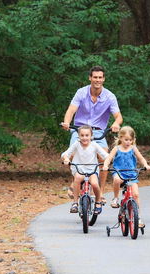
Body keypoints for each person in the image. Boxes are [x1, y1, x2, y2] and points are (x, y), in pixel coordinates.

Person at [61, 66, 123, 203]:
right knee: (70, 155)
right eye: (95, 77)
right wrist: (66, 122)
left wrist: (116, 124)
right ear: (90, 78)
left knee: (104, 157)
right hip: (80, 130)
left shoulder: (109, 96)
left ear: (104, 79)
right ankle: (76, 182)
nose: (97, 80)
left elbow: (118, 116)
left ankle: (99, 192)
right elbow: (71, 110)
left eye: (100, 77)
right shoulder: (81, 93)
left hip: (98, 131)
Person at [102, 126, 150, 227]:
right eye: (126, 139)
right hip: (119, 172)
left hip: (131, 174)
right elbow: (109, 158)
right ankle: (115, 198)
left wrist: (145, 165)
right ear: (120, 138)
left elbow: (141, 158)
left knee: (136, 195)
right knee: (116, 180)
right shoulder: (116, 148)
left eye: (130, 140)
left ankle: (138, 218)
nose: (128, 142)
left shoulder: (133, 148)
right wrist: (106, 165)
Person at [61, 126, 109, 214]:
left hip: (92, 170)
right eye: (82, 135)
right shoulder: (76, 144)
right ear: (78, 136)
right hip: (79, 169)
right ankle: (75, 202)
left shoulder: (94, 145)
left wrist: (107, 162)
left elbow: (105, 155)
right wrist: (66, 159)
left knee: (94, 183)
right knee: (77, 179)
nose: (84, 137)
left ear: (91, 136)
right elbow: (66, 154)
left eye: (87, 135)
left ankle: (98, 202)